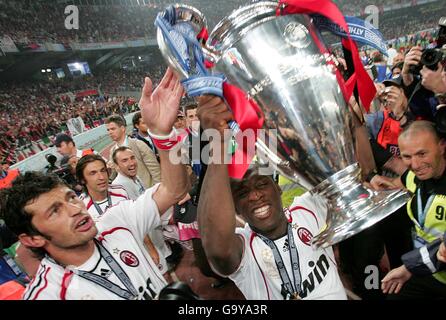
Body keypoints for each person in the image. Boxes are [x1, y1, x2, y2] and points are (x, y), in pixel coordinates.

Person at [0, 68, 190, 300]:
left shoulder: (116, 221)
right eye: (54, 212)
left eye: (70, 197)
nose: (74, 208)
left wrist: (162, 134)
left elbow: (174, 189)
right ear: (33, 239)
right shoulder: (47, 295)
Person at [196, 95, 347, 300]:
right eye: (242, 193)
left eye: (261, 184)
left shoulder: (307, 209)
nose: (255, 195)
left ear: (278, 188)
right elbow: (217, 250)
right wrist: (219, 145)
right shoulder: (244, 251)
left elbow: (341, 171)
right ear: (236, 210)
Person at [371, 121, 446, 298]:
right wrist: (373, 181)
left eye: (422, 154)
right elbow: (395, 184)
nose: (415, 164)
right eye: (407, 156)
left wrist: (408, 268)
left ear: (442, 146)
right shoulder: (415, 176)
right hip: (427, 272)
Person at [111, 146, 173, 274]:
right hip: (148, 242)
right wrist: (151, 248)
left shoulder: (135, 177)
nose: (131, 163)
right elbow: (133, 221)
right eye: (124, 160)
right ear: (116, 166)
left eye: (132, 158)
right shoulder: (120, 187)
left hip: (155, 235)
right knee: (162, 276)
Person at [106, 114, 160, 189]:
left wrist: (159, 189)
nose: (110, 132)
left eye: (113, 129)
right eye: (108, 130)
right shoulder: (112, 151)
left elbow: (155, 170)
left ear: (122, 128)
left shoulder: (138, 144)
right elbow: (114, 176)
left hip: (147, 191)